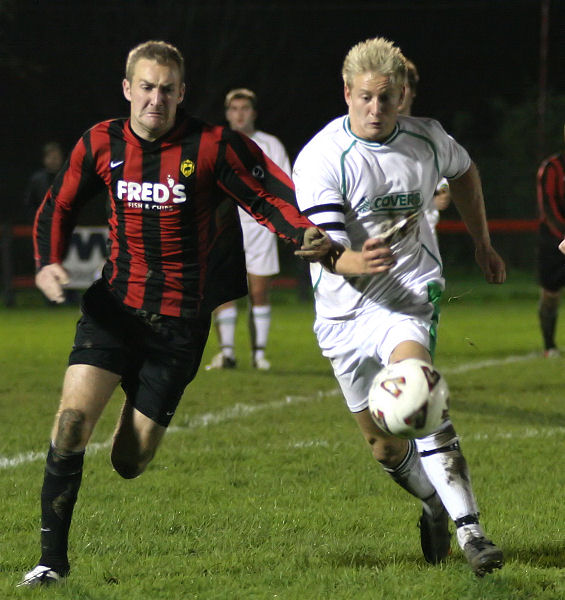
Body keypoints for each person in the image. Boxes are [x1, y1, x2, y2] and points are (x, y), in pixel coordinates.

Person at [18, 40, 330, 588]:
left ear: (181, 93)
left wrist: (301, 230)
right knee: (69, 424)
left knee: (128, 462)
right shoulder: (101, 142)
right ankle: (51, 563)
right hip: (113, 309)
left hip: (178, 327)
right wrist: (46, 263)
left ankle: (134, 402)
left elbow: (268, 195)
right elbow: (61, 204)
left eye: (167, 89)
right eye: (146, 86)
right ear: (127, 89)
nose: (155, 98)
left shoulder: (211, 146)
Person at [292, 37, 506, 576]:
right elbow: (326, 250)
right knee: (384, 448)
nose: (375, 109)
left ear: (400, 95)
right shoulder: (321, 158)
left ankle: (472, 531)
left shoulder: (427, 138)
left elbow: (465, 172)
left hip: (408, 293)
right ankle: (433, 502)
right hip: (343, 310)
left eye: (386, 98)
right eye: (365, 97)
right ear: (347, 93)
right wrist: (348, 262)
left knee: (419, 388)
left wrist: (481, 242)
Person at [205, 88, 292, 371]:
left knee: (259, 292)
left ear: (253, 113)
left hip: (260, 226)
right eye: (234, 109)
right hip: (224, 225)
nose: (239, 114)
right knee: (224, 290)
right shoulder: (215, 141)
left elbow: (285, 184)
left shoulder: (271, 145)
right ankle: (227, 353)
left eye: (245, 108)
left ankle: (259, 355)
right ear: (228, 113)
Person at [398, 59, 451, 237]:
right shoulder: (370, 137)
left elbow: (448, 178)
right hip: (378, 241)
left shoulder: (430, 138)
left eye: (403, 86)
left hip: (421, 240)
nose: (398, 93)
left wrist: (443, 191)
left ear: (412, 91)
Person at [537, 125, 565, 358]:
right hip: (555, 241)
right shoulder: (552, 168)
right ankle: (549, 346)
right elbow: (548, 206)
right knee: (551, 294)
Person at [23, 142, 65, 223]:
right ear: (44, 159)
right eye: (51, 157)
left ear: (61, 159)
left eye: (56, 158)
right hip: (41, 222)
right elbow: (29, 203)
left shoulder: (68, 178)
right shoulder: (37, 180)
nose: (53, 161)